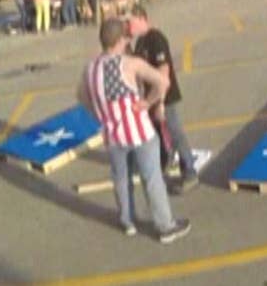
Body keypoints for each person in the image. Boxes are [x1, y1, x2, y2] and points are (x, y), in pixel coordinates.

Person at [76, 18, 191, 243]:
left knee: (121, 179)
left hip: (113, 135)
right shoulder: (130, 64)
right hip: (139, 132)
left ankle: (127, 221)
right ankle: (165, 226)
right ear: (121, 40)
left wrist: (100, 114)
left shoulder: (90, 68)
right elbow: (162, 82)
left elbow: (82, 97)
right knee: (152, 178)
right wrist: (148, 103)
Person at [128, 5, 198, 193]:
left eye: (131, 22)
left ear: (142, 19)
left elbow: (163, 71)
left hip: (165, 96)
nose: (129, 26)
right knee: (159, 134)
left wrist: (159, 103)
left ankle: (189, 171)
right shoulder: (140, 42)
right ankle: (164, 162)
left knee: (175, 132)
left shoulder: (155, 39)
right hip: (151, 97)